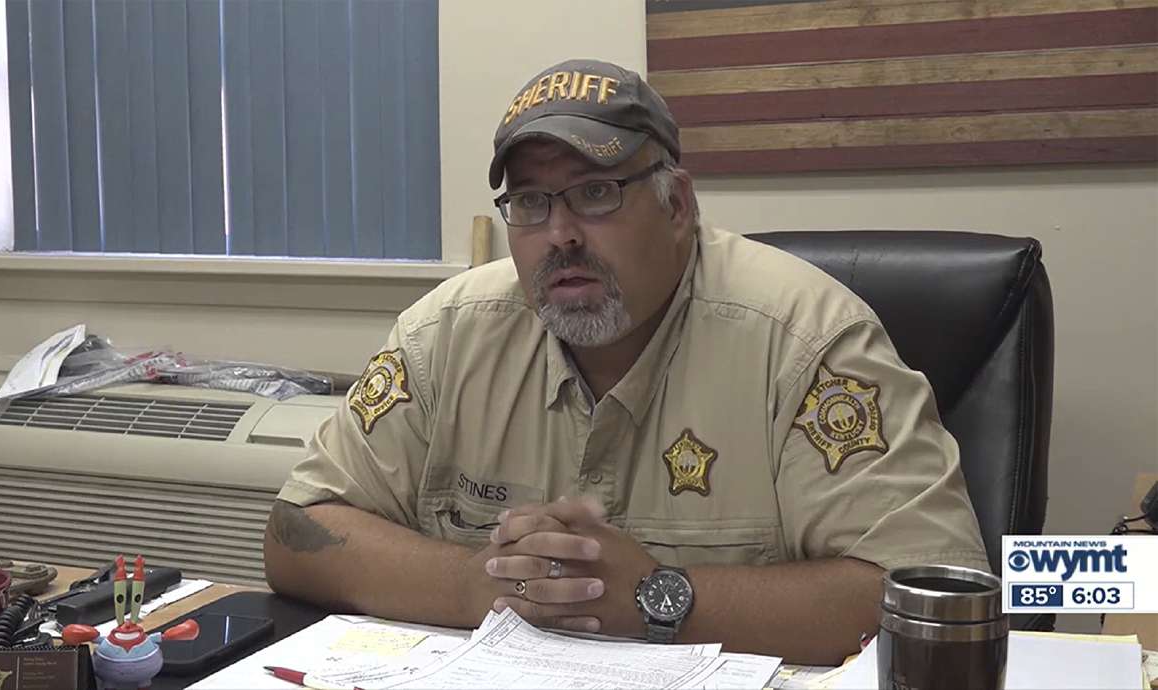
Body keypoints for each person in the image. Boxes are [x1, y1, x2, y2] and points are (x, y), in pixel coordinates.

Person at [263, 59, 990, 663]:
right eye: (531, 202)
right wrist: (479, 584)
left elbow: (934, 597)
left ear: (677, 206)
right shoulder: (445, 335)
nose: (560, 234)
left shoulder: (805, 341)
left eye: (595, 193)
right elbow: (297, 532)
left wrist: (658, 598)